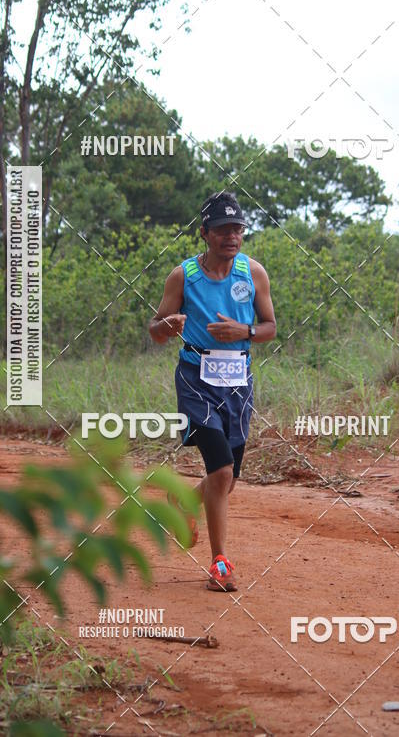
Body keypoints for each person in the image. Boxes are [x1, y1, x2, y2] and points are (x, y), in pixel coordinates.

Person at [149, 191, 277, 591]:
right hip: (195, 380)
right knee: (220, 471)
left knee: (228, 478)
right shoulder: (183, 275)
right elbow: (155, 330)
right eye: (222, 230)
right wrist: (168, 326)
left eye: (237, 229)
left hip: (239, 383)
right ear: (204, 234)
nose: (231, 236)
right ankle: (220, 563)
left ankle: (184, 501)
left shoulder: (253, 273)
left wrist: (247, 332)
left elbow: (271, 327)